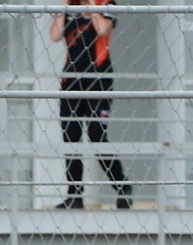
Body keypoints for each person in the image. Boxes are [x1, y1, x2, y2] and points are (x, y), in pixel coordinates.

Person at [50, 0, 133, 210]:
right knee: (71, 137)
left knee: (97, 135)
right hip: (71, 80)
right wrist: (64, 8)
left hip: (99, 79)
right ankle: (74, 194)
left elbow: (103, 29)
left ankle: (122, 186)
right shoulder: (71, 8)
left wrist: (91, 6)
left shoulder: (106, 4)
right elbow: (55, 35)